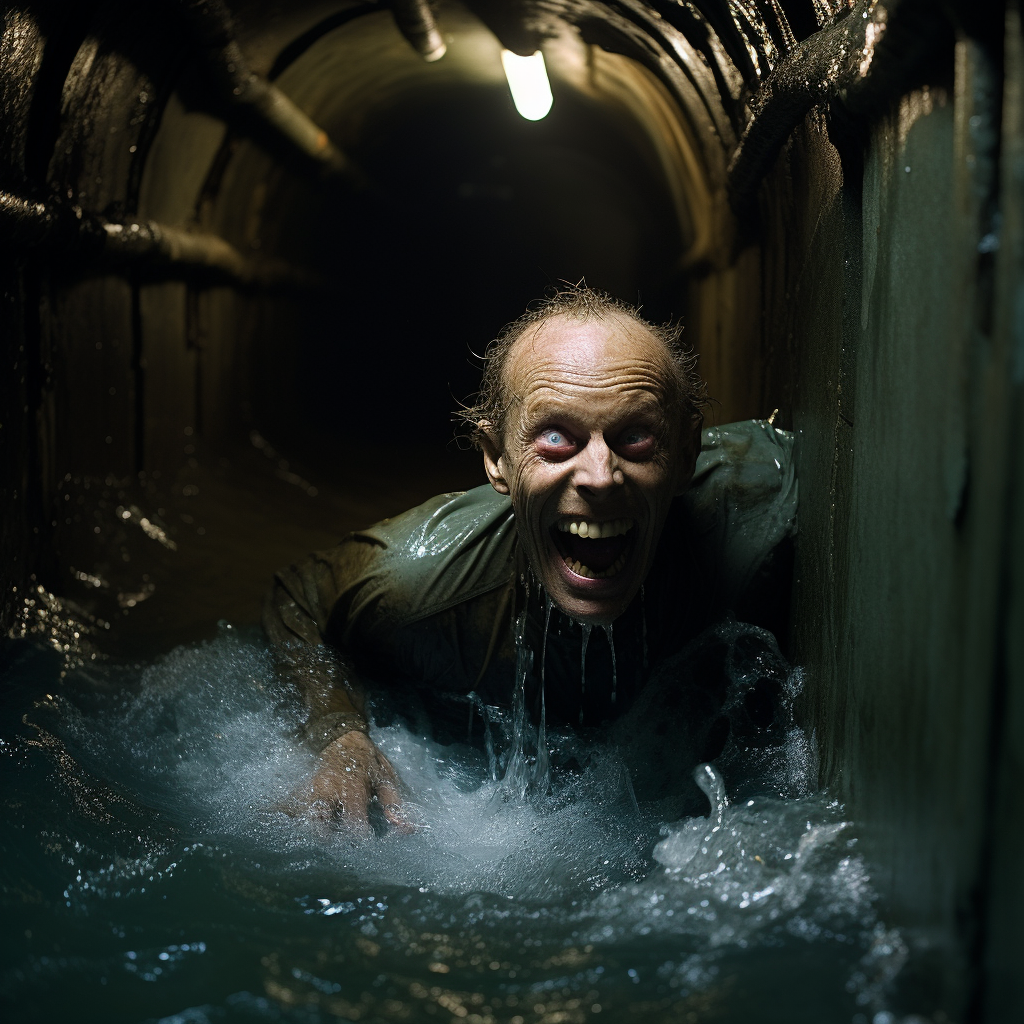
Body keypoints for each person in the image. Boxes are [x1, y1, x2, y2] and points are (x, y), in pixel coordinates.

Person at [263, 286, 797, 829]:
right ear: (497, 459)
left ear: (686, 454)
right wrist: (338, 730)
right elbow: (299, 599)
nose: (599, 475)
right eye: (555, 436)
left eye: (635, 436)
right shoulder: (418, 578)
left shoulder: (764, 508)